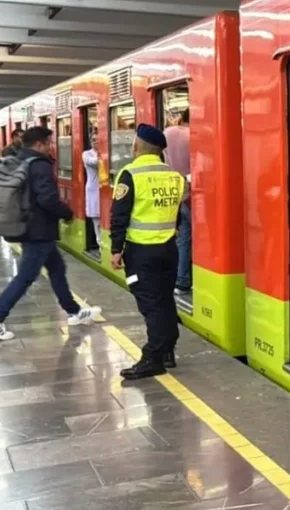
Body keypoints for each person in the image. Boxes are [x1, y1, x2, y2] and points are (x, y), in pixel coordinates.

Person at [0, 127, 102, 341]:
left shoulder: (20, 160)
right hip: (38, 230)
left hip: (29, 226)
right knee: (27, 276)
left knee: (57, 268)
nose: (51, 146)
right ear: (39, 145)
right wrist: (66, 213)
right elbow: (47, 199)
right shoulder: (40, 165)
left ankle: (74, 312)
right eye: (48, 143)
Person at [110, 124, 185, 379]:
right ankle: (167, 351)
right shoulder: (174, 175)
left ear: (136, 146)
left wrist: (116, 249)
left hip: (141, 253)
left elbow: (119, 214)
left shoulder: (130, 173)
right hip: (169, 250)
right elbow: (178, 217)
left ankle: (152, 357)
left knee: (151, 305)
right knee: (165, 300)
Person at [163, 109, 191, 295]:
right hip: (193, 195)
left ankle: (180, 281)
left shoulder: (168, 133)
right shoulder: (193, 136)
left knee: (182, 239)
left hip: (174, 194)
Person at [82, 126, 102, 259]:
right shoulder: (86, 154)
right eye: (94, 140)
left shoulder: (104, 152)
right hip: (93, 189)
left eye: (99, 140)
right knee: (97, 220)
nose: (96, 142)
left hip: (103, 189)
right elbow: (94, 162)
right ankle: (100, 245)